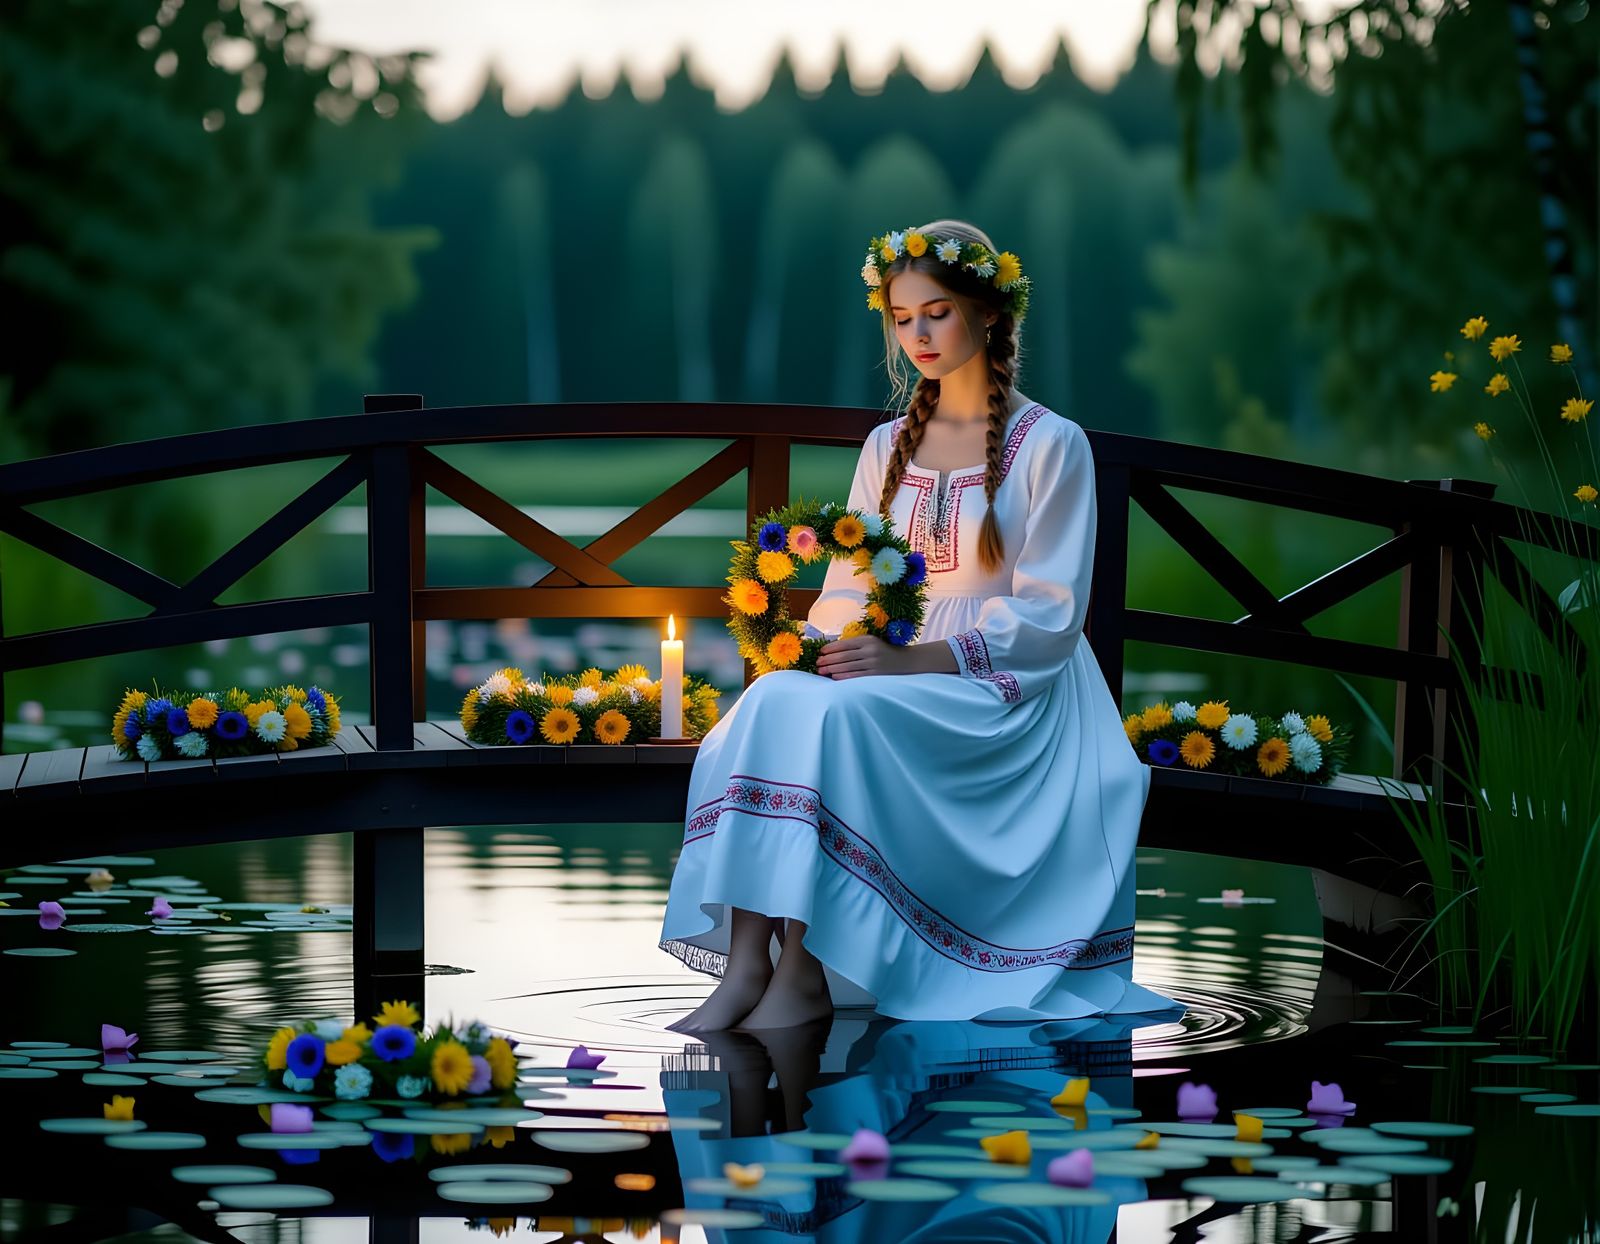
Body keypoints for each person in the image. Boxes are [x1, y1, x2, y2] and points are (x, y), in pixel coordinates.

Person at [660, 219, 1178, 1032]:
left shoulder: (1052, 446)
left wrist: (915, 661)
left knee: (841, 718)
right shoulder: (885, 446)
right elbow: (845, 589)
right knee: (772, 702)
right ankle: (746, 963)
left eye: (936, 312)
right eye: (903, 319)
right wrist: (816, 649)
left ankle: (803, 968)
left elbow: (1050, 616)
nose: (919, 336)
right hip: (893, 661)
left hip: (1002, 687)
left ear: (989, 312)